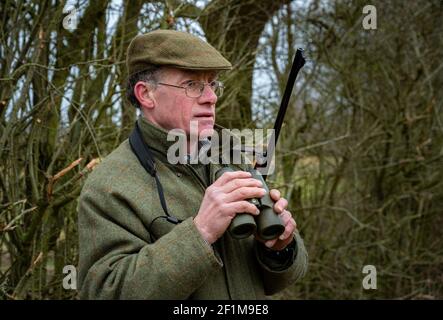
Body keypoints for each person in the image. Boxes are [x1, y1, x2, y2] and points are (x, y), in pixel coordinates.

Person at [77, 29, 308, 299]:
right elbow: (105, 292)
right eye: (192, 84)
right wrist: (201, 232)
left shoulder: (231, 157)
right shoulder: (110, 186)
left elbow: (279, 280)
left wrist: (279, 248)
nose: (211, 97)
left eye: (212, 84)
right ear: (146, 94)